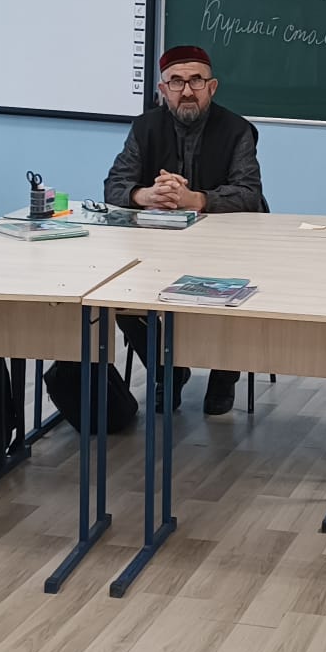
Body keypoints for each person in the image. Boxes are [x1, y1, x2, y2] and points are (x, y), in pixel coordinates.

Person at [104, 44, 264, 415]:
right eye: (176, 82)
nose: (187, 90)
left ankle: (224, 376)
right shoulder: (144, 128)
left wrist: (196, 199)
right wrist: (145, 194)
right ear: (163, 90)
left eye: (196, 81)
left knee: (237, 291)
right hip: (159, 244)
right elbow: (114, 185)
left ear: (212, 87)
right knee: (123, 296)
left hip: (229, 244)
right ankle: (167, 371)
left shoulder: (238, 129)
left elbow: (248, 193)